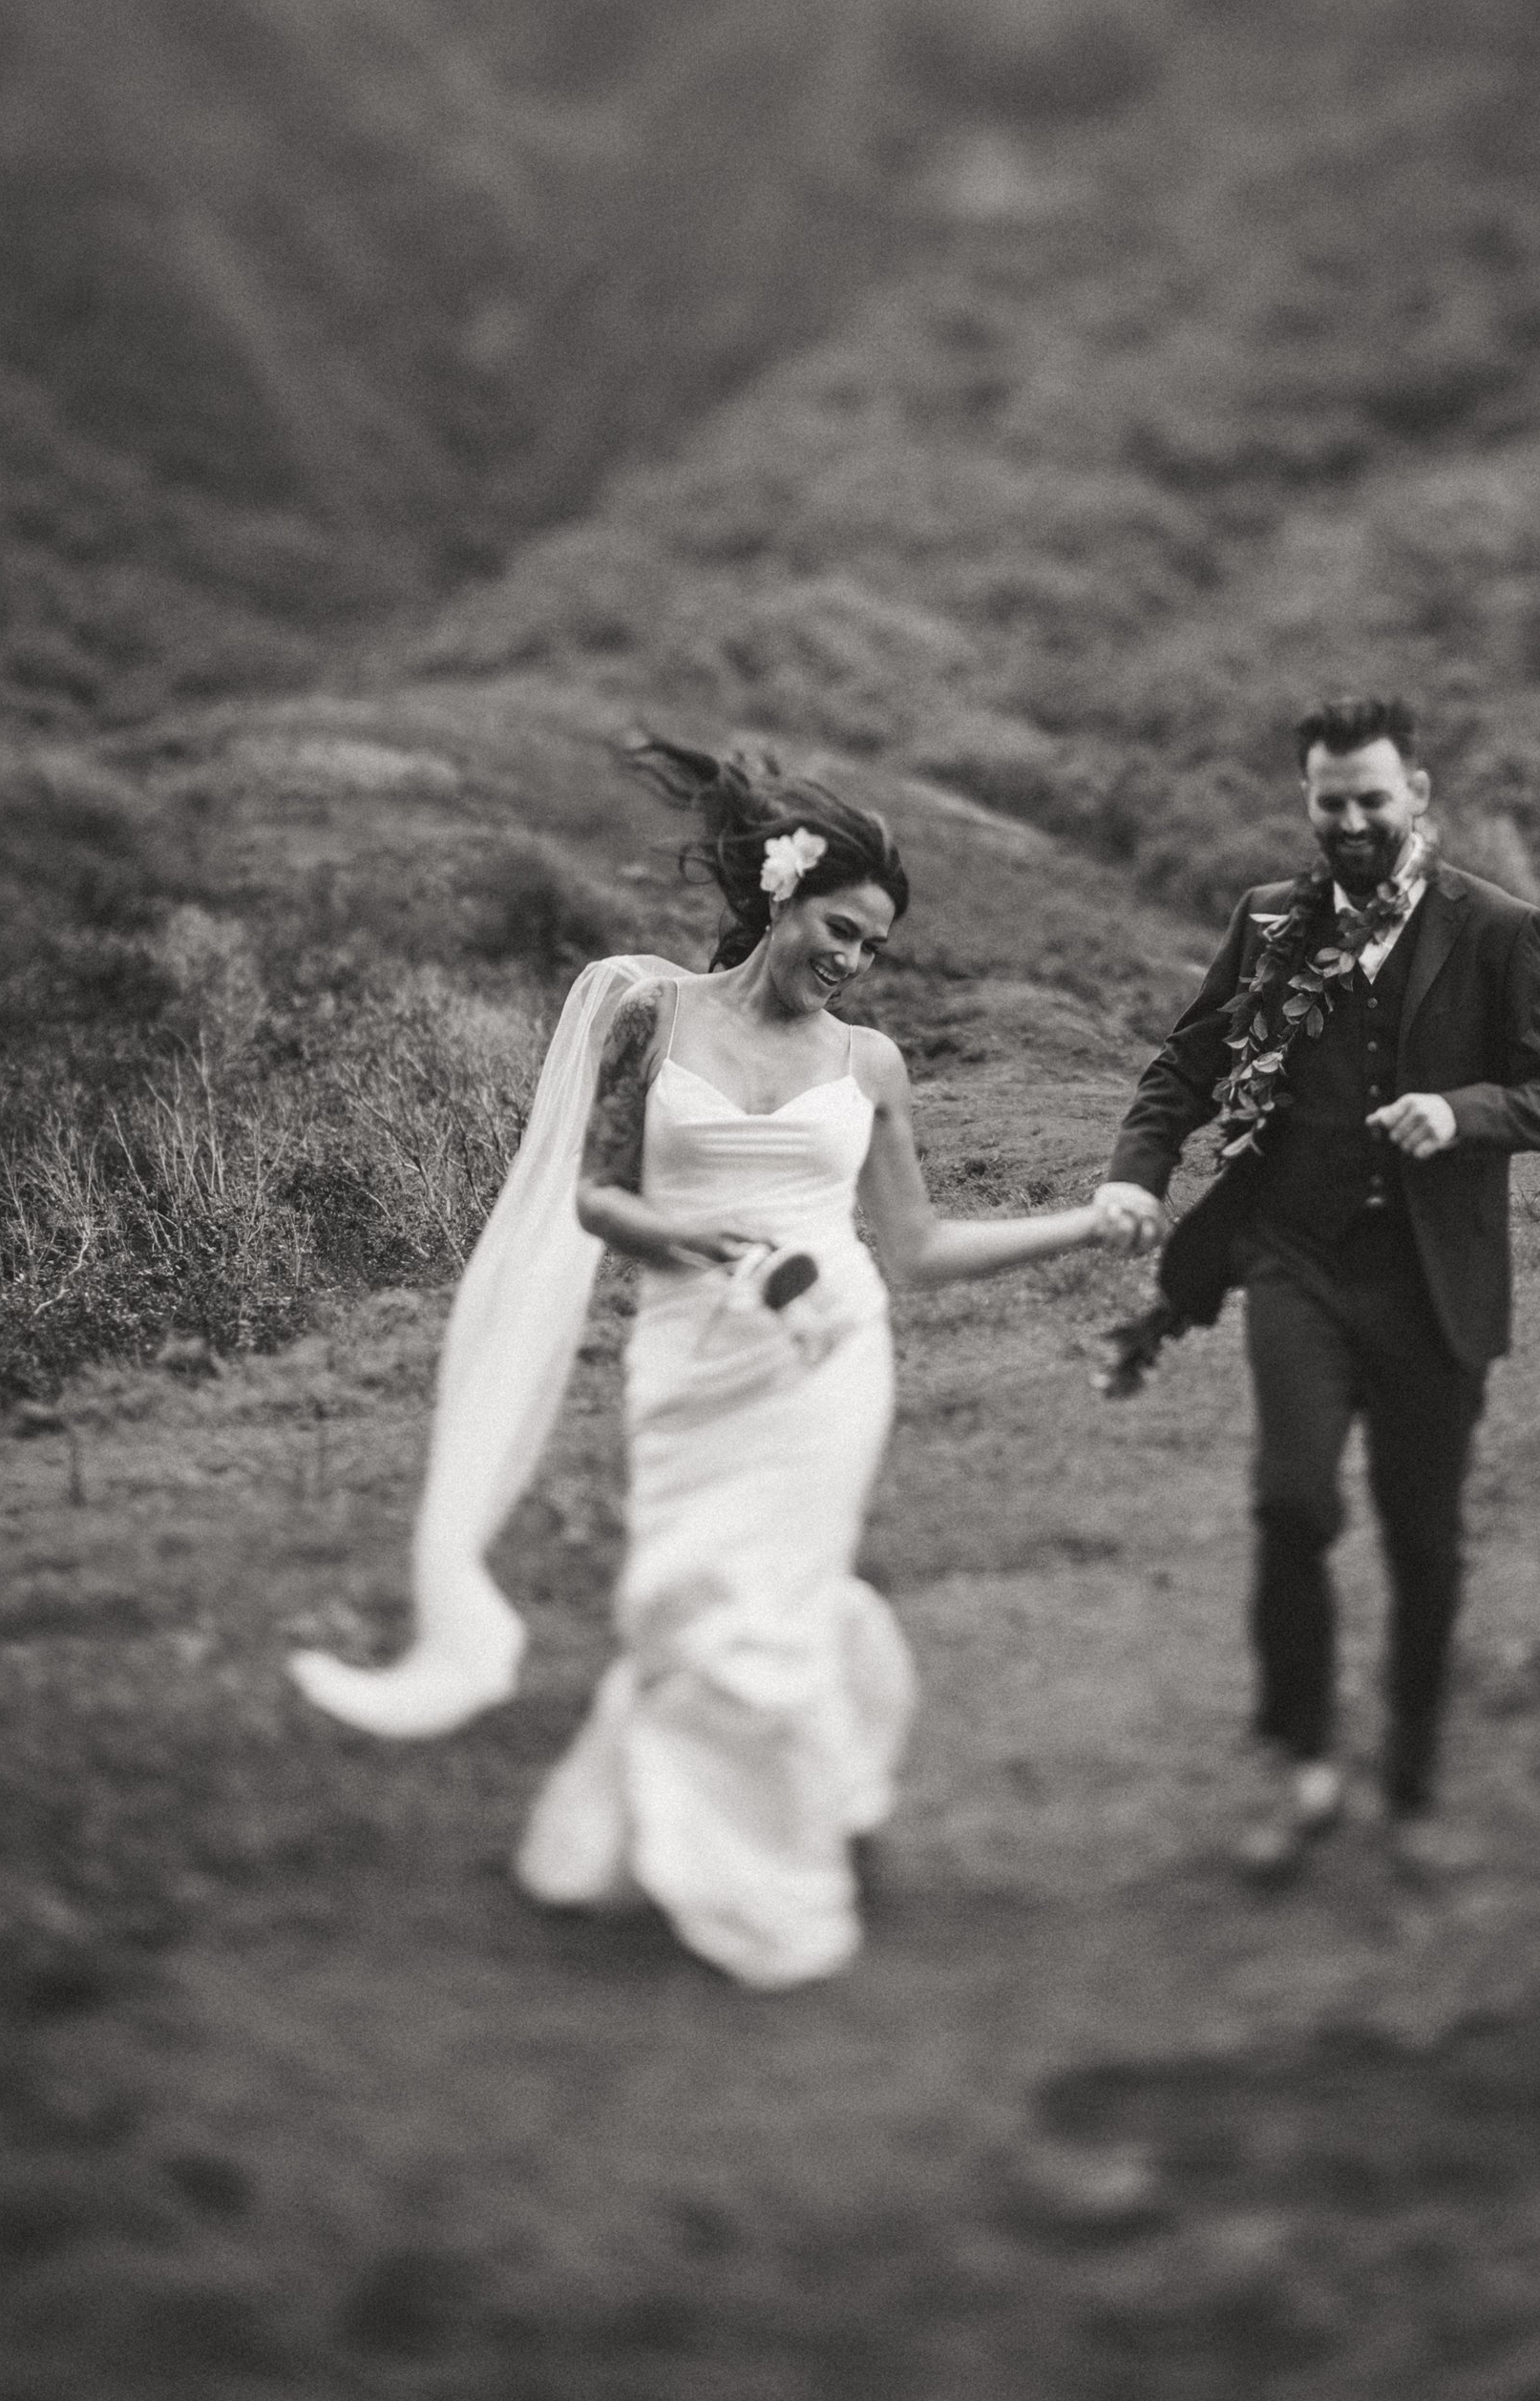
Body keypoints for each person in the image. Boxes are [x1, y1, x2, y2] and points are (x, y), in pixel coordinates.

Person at [291, 743, 1131, 1991]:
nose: (851, 961)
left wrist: (1089, 1218)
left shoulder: (872, 1065)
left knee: (773, 1612)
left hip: (826, 1357)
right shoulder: (654, 1016)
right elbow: (593, 1196)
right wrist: (672, 1233)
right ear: (779, 901)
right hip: (689, 1355)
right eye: (839, 930)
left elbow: (917, 1246)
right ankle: (703, 1828)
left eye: (874, 950)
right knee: (677, 1599)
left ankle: (774, 1874)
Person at [1093, 695, 1540, 1879]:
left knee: (1424, 1543)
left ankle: (1411, 1782)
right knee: (1291, 1504)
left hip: (1431, 1284)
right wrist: (1136, 1175)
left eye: (1374, 797)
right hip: (1296, 1264)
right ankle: (1306, 1762)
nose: (1353, 819)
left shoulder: (1498, 928)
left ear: (1417, 792)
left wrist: (1462, 1110)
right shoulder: (1269, 916)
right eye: (1331, 801)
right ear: (1307, 801)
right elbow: (1189, 1059)